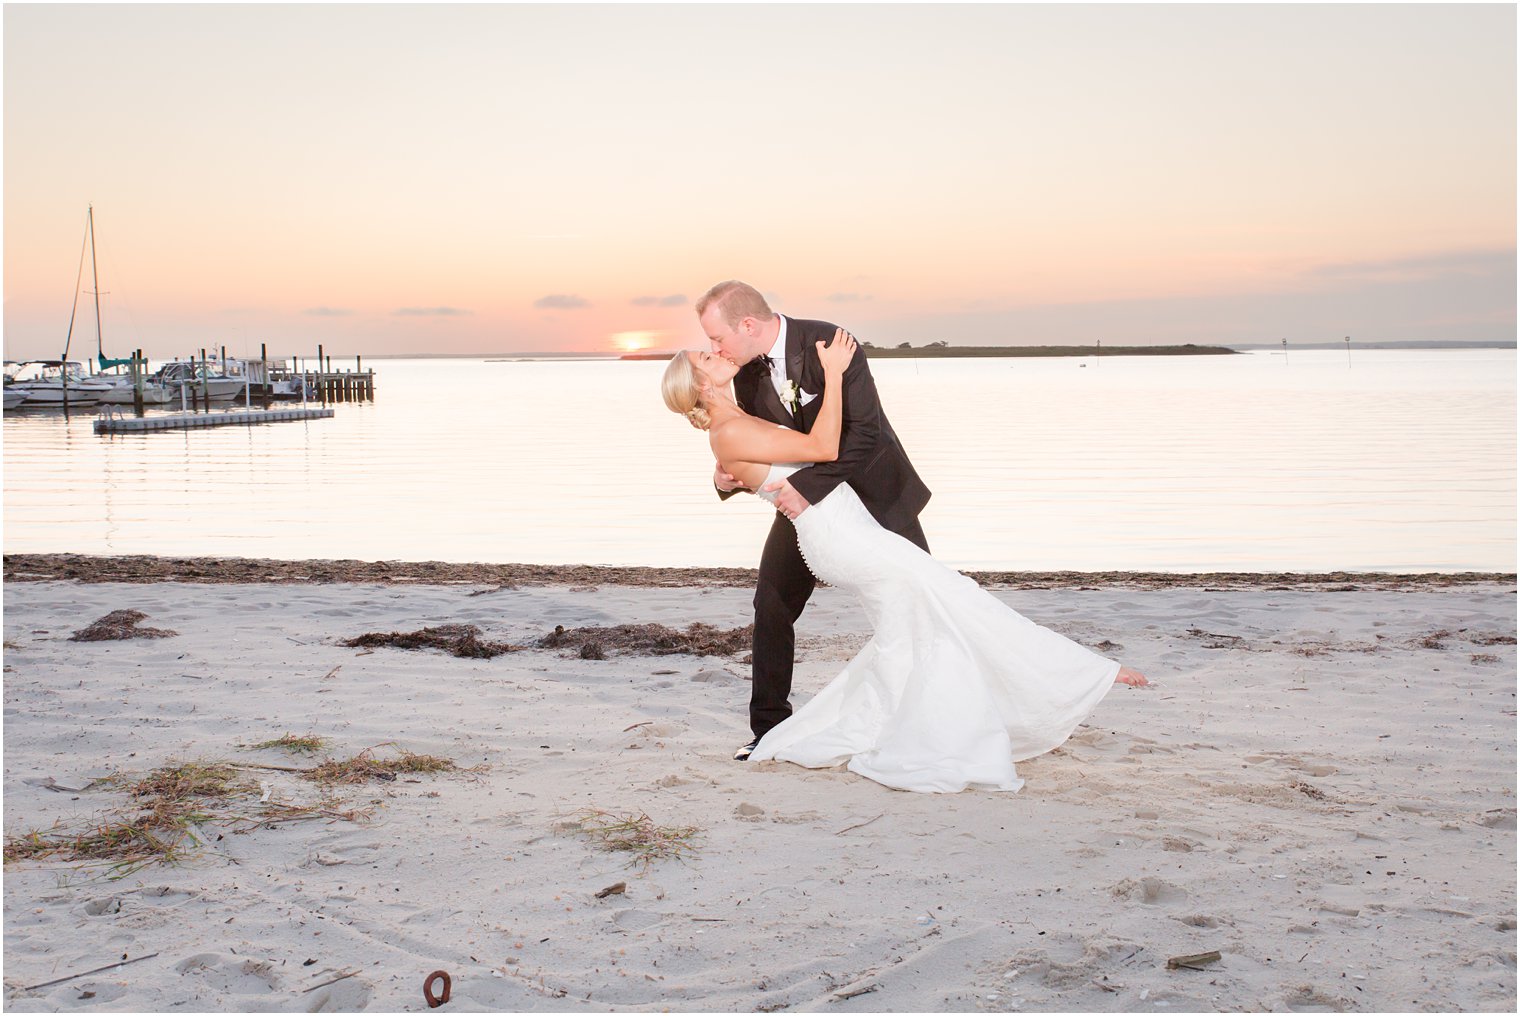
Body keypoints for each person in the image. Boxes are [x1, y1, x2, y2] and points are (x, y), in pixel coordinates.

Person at [661, 327, 1149, 794]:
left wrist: (734, 476)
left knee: (918, 621)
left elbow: (766, 457)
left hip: (849, 524)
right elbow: (822, 447)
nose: (715, 350)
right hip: (839, 536)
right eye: (706, 355)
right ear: (702, 384)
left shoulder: (736, 408)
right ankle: (1080, 676)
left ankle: (916, 720)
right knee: (949, 598)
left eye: (714, 342)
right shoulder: (727, 428)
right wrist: (832, 374)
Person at [693, 281, 931, 762]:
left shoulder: (830, 345)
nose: (714, 349)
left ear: (748, 325)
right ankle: (769, 729)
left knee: (923, 599)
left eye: (717, 338)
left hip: (872, 493)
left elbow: (865, 435)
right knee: (772, 604)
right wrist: (727, 478)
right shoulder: (742, 374)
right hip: (806, 508)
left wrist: (807, 489)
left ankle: (930, 711)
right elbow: (759, 446)